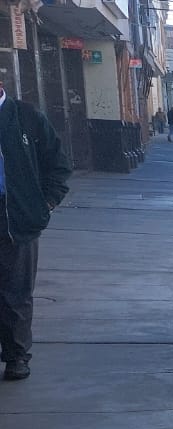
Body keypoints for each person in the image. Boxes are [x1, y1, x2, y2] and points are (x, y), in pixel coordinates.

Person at [0, 78, 72, 380]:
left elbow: (58, 163)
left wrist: (47, 203)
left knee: (16, 291)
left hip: (17, 216)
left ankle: (17, 355)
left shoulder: (26, 116)